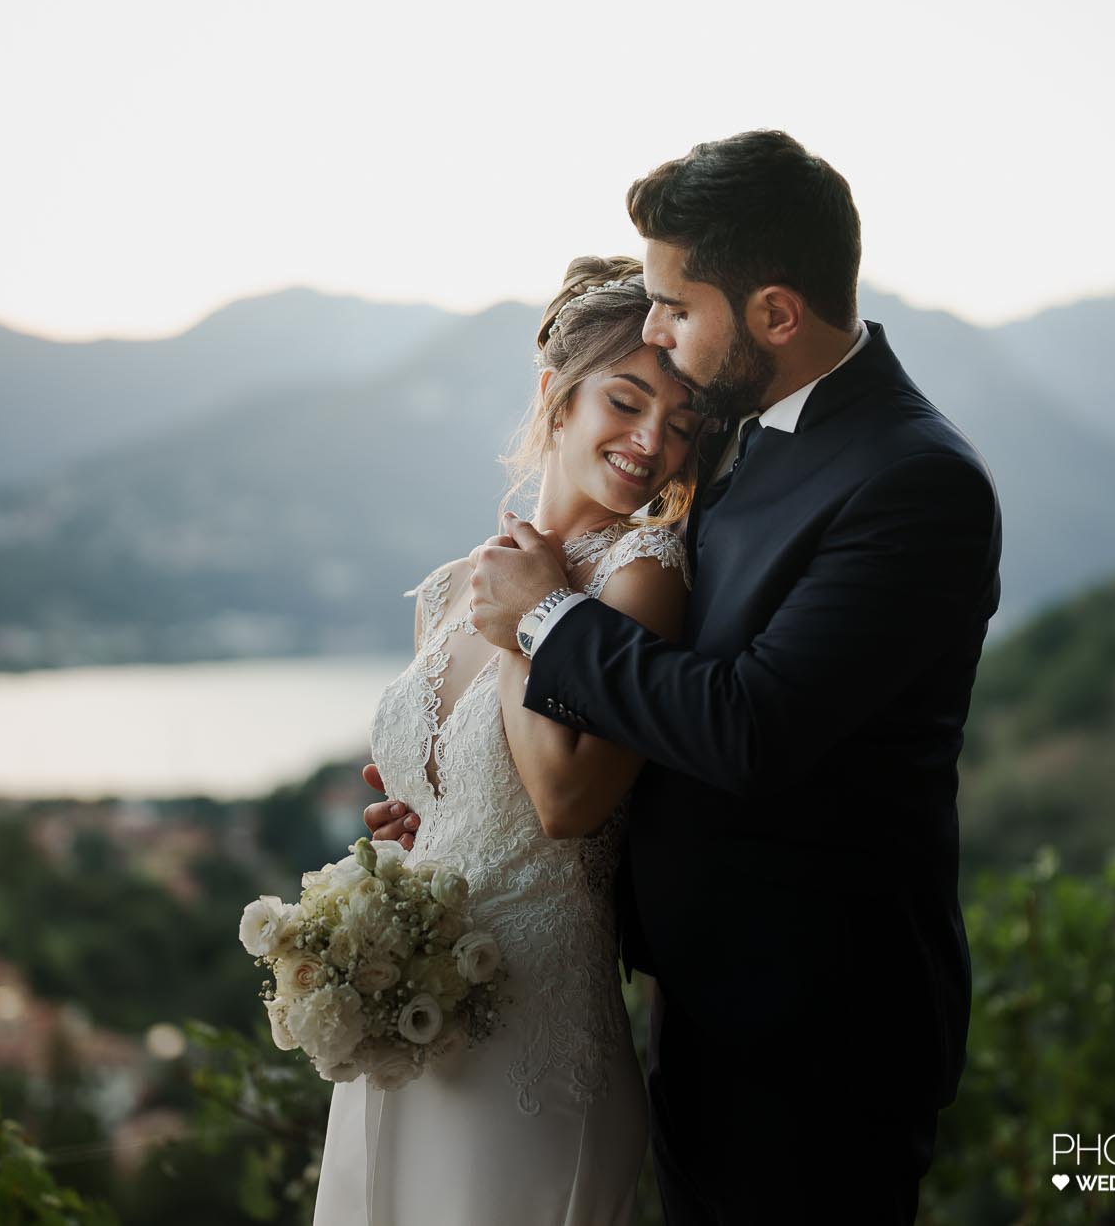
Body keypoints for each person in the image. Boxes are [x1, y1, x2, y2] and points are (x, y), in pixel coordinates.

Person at [369, 130, 1003, 1224]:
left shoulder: (912, 481)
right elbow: (647, 725)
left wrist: (546, 619)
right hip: (691, 1011)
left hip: (820, 1039)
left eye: (674, 304)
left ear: (772, 313)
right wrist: (462, 823)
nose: (656, 328)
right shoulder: (740, 443)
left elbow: (750, 725)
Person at [313, 255, 709, 1225]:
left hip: (532, 1037)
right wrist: (421, 824)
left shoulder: (642, 577)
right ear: (555, 399)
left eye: (682, 426)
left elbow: (565, 804)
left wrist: (529, 620)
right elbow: (470, 791)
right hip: (412, 1014)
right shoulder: (455, 587)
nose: (650, 440)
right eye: (624, 401)